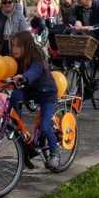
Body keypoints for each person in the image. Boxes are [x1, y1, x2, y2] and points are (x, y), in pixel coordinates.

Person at [9, 30, 60, 170]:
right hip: (31, 90)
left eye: (18, 46)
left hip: (46, 93)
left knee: (44, 126)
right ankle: (16, 122)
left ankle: (55, 153)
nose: (15, 49)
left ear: (27, 46)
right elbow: (8, 68)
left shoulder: (36, 55)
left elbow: (35, 70)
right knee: (14, 95)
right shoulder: (16, 58)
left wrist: (24, 77)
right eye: (13, 46)